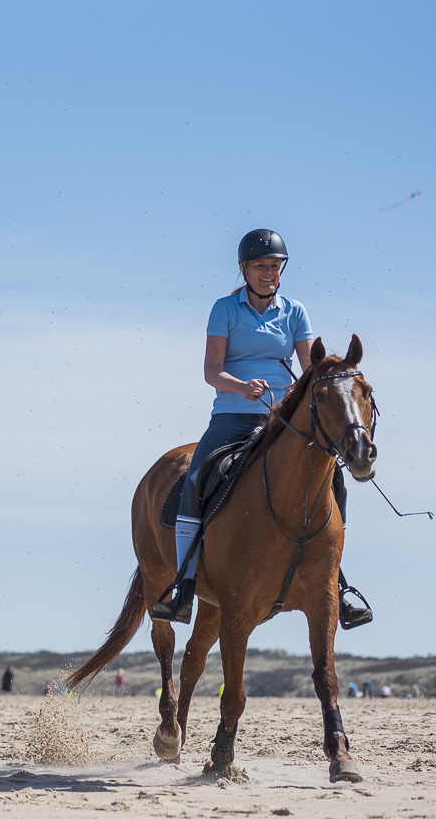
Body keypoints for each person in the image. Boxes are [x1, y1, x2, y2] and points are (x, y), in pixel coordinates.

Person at [151, 230, 370, 628]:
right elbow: (211, 370)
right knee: (195, 480)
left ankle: (336, 582)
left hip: (282, 421)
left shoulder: (295, 311)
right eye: (260, 266)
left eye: (274, 266)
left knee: (333, 481)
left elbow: (311, 371)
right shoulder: (225, 309)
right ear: (244, 270)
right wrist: (242, 387)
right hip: (232, 417)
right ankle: (183, 585)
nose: (268, 273)